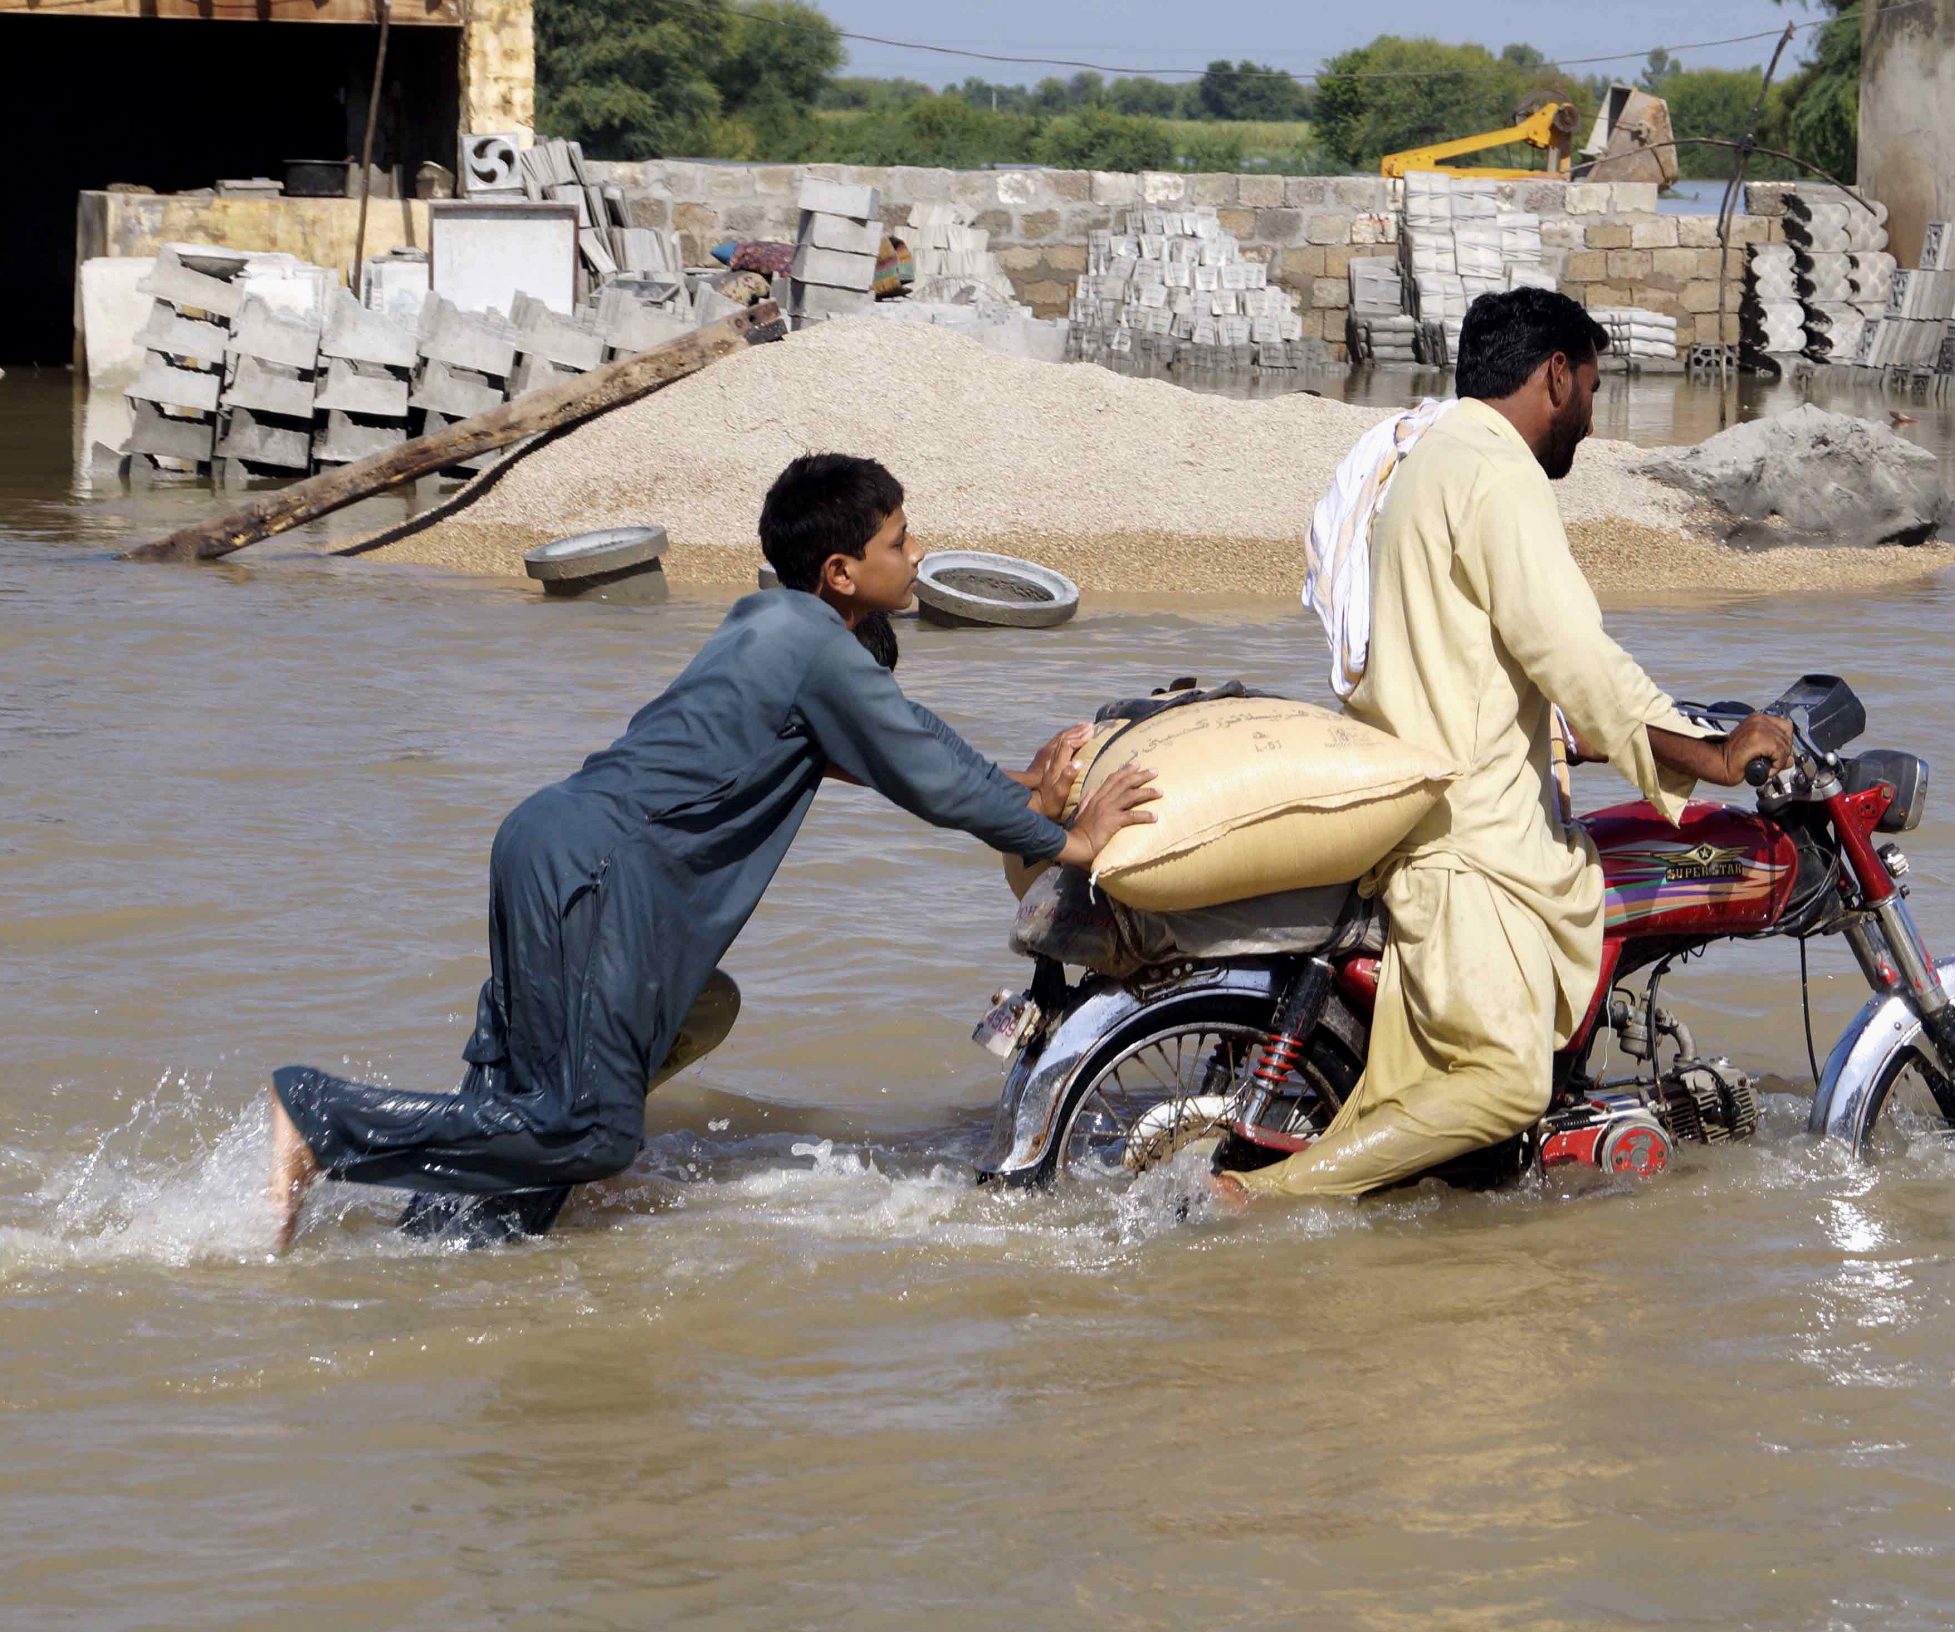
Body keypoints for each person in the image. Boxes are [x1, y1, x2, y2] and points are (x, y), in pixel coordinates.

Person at [266, 453, 1157, 1250]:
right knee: (593, 1132)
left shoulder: (761, 627)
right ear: (842, 572)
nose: (917, 552)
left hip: (549, 842)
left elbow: (882, 759)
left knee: (538, 1106)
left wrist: (1026, 786)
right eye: (899, 538)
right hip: (601, 871)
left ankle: (434, 1250)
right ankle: (322, 1120)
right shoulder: (816, 642)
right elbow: (923, 764)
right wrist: (1069, 838)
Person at [1230, 288, 1791, 1201]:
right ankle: (1259, 1200)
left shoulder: (1431, 457)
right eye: (1595, 391)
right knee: (1507, 1083)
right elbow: (1572, 652)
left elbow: (1488, 659)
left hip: (1447, 816)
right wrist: (1714, 754)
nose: (1593, 419)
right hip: (1472, 845)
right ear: (1555, 376)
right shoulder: (1498, 474)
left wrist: (1600, 735)